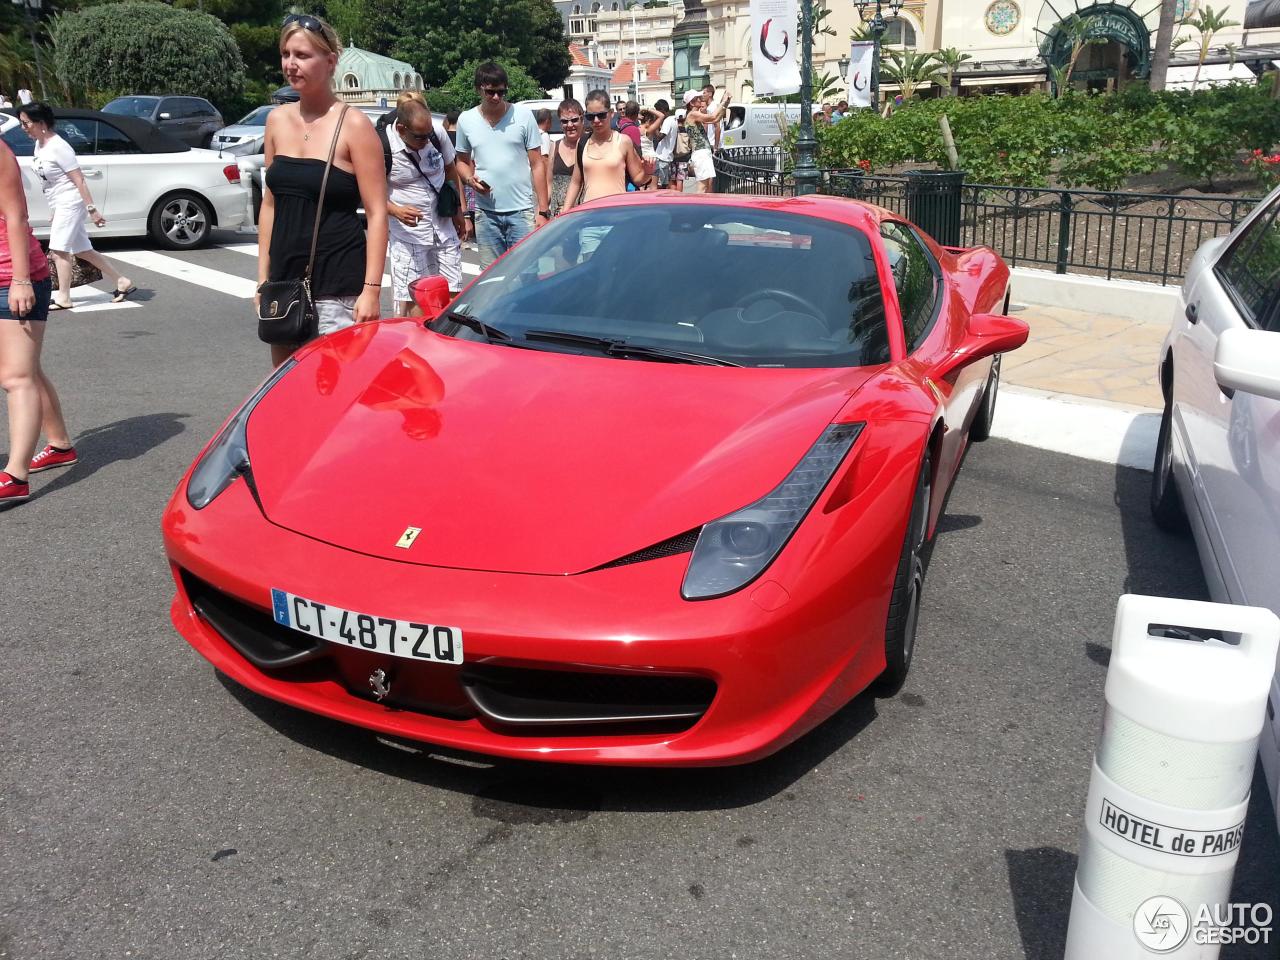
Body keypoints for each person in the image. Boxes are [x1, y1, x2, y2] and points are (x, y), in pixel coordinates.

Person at [257, 13, 388, 368]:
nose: (290, 64)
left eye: (302, 55)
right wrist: (262, 277)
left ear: (330, 62)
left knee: (335, 390)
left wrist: (371, 290)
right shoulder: (276, 121)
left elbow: (377, 213)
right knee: (284, 387)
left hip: (338, 285)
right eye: (286, 54)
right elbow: (270, 204)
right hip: (284, 281)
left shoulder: (355, 125)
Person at [0, 135, 70, 506]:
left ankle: (15, 476)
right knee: (24, 368)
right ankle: (59, 444)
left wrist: (21, 280)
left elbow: (16, 215)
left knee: (16, 377)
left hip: (13, 276)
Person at [19, 102, 135, 310]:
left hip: (71, 201)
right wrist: (54, 210)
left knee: (58, 250)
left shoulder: (59, 147)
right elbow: (50, 183)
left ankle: (64, 297)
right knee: (82, 250)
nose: (23, 128)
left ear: (41, 123)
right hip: (60, 203)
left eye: (26, 123)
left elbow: (79, 179)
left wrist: (92, 210)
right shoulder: (40, 145)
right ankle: (121, 280)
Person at [454, 62, 549, 269]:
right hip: (486, 214)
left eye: (501, 92)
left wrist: (543, 211)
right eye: (490, 92)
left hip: (522, 212)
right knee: (491, 279)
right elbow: (461, 162)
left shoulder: (523, 116)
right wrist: (470, 180)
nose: (497, 97)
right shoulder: (466, 120)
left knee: (527, 274)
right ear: (478, 89)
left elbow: (538, 165)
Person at [385, 91, 467, 315]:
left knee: (453, 289)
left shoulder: (435, 134)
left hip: (442, 225)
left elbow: (450, 169)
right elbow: (369, 193)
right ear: (402, 129)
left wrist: (459, 211)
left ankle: (451, 340)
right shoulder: (383, 145)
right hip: (408, 235)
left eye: (428, 134)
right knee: (415, 296)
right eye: (419, 137)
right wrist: (395, 211)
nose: (425, 140)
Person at [562, 90, 651, 212]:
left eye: (601, 115)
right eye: (591, 117)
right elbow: (576, 182)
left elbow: (638, 178)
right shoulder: (582, 142)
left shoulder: (623, 141)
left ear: (611, 113)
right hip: (589, 218)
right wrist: (565, 210)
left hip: (618, 217)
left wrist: (648, 171)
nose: (596, 120)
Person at [681, 88, 726, 194]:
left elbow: (716, 119)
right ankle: (696, 209)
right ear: (691, 103)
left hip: (702, 153)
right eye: (697, 98)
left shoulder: (694, 115)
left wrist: (725, 103)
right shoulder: (693, 114)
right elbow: (713, 117)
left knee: (706, 186)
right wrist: (723, 101)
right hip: (701, 154)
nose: (700, 99)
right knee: (702, 187)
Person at [545, 98, 584, 215]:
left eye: (574, 120)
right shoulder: (554, 146)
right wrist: (541, 212)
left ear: (582, 119)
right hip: (558, 217)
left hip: (584, 213)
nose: (570, 125)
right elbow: (549, 184)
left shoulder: (589, 145)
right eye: (565, 121)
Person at [443, 110, 476, 248]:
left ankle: (457, 235)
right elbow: (471, 161)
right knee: (465, 210)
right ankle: (464, 237)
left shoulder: (443, 137)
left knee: (452, 210)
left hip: (448, 180)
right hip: (465, 179)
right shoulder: (465, 137)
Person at [643, 99, 678, 190]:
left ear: (661, 110)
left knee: (662, 185)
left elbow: (659, 137)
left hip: (663, 156)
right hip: (667, 155)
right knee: (666, 182)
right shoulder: (674, 119)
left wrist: (655, 126)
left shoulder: (668, 121)